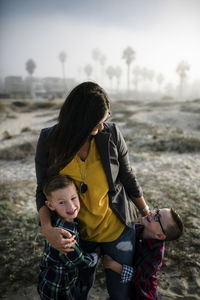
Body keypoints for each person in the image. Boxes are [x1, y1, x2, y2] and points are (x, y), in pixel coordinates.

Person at [35, 81, 150, 300]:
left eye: (104, 121)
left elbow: (128, 177)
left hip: (117, 229)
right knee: (79, 292)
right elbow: (42, 190)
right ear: (80, 121)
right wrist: (48, 229)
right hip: (78, 235)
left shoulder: (111, 134)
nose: (101, 128)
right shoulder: (49, 141)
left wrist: (146, 213)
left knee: (121, 294)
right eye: (96, 123)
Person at [37, 174, 99, 300]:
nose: (71, 207)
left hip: (49, 280)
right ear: (50, 205)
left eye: (73, 198)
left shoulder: (58, 221)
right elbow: (82, 261)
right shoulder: (65, 235)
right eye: (62, 202)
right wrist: (96, 255)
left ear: (77, 193)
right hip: (58, 289)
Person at [103, 207, 184, 300]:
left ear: (159, 235)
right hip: (125, 287)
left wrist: (112, 265)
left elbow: (139, 276)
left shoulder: (156, 253)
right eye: (157, 210)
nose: (152, 213)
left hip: (142, 294)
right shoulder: (137, 228)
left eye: (158, 218)